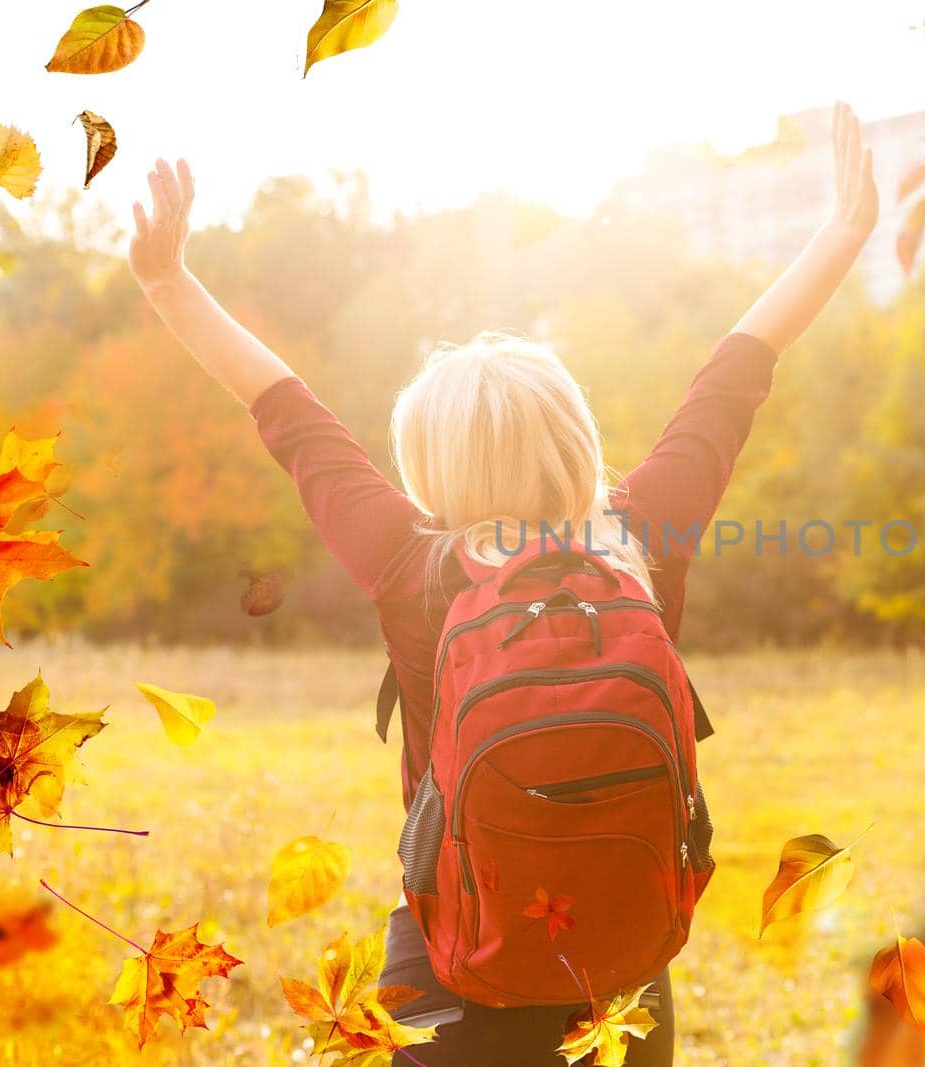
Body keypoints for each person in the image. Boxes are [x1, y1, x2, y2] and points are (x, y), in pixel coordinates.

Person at [126, 103, 878, 1064]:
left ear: (428, 465)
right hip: (620, 968)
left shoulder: (411, 559)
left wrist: (166, 280)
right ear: (576, 433)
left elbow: (287, 413)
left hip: (452, 964)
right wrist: (841, 231)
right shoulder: (639, 536)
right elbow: (737, 373)